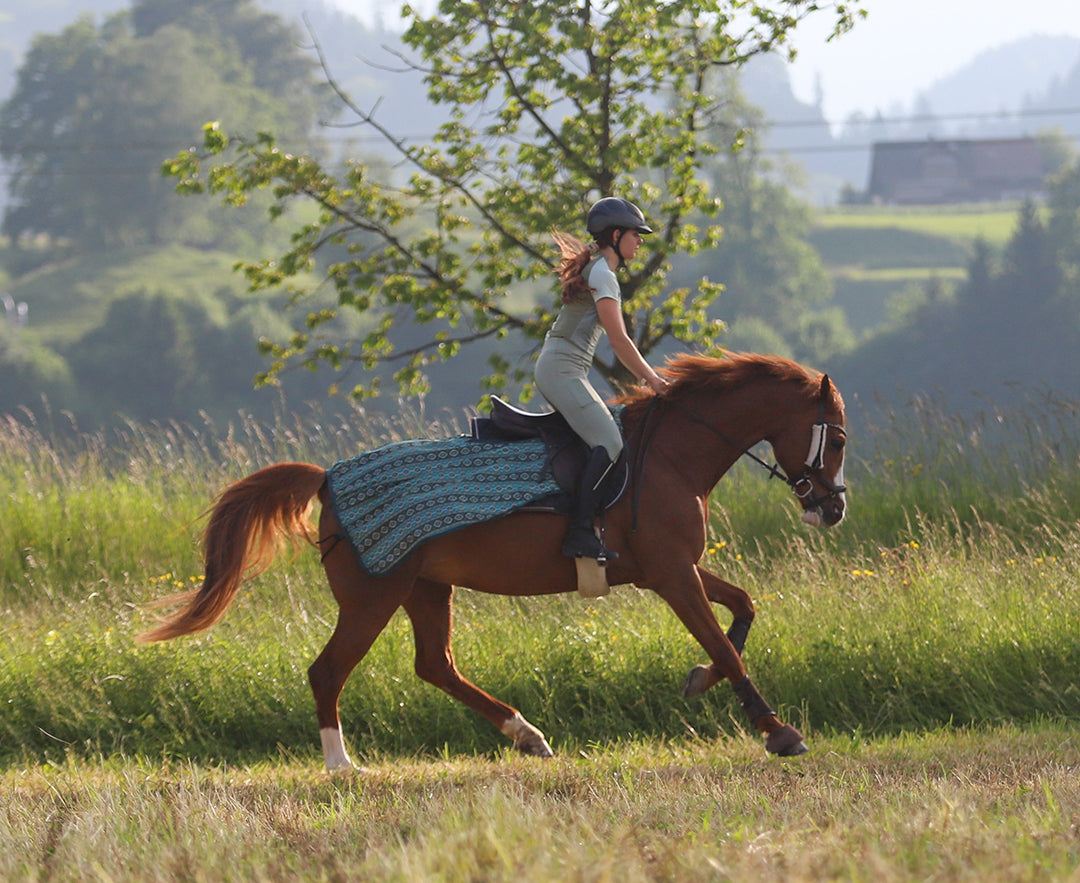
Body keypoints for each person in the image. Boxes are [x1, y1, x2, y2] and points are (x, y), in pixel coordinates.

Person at [535, 197, 670, 563]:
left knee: (607, 435)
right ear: (616, 235)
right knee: (610, 443)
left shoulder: (599, 270)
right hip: (561, 370)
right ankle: (579, 534)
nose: (640, 241)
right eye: (635, 235)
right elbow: (619, 340)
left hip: (564, 368)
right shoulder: (603, 275)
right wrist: (652, 380)